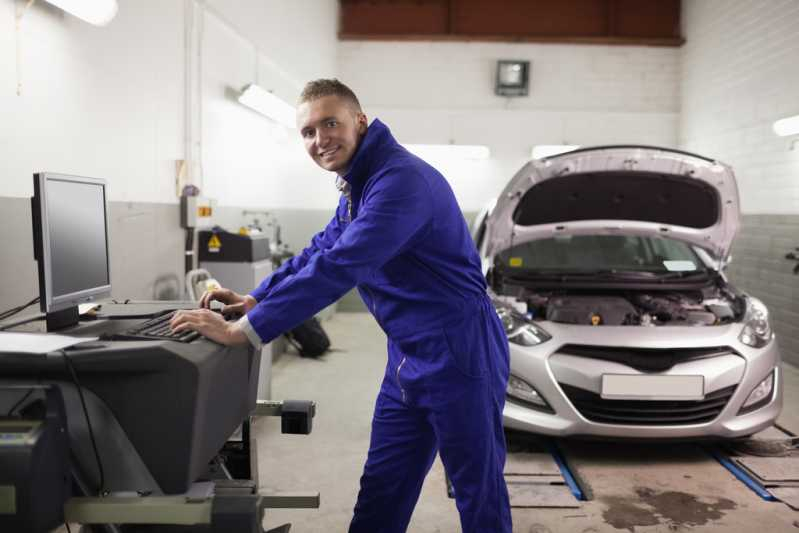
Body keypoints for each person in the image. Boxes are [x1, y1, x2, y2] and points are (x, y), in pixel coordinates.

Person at [170, 79, 512, 533]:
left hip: (461, 351)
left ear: (360, 121)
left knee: (477, 491)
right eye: (308, 131)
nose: (319, 139)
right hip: (407, 354)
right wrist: (256, 297)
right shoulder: (359, 185)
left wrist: (245, 330)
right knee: (383, 486)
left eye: (330, 123)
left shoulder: (400, 182)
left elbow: (342, 266)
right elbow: (321, 251)